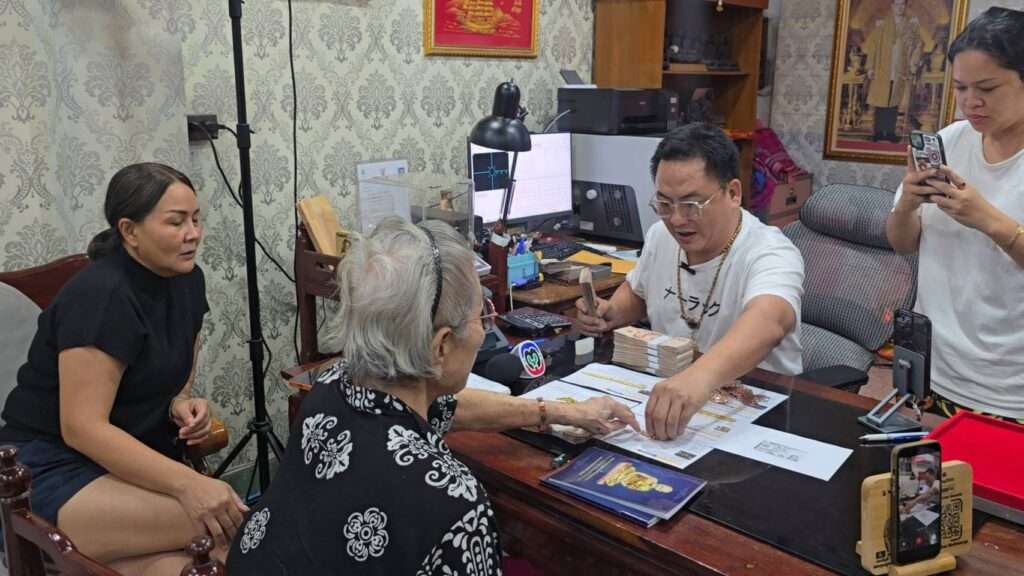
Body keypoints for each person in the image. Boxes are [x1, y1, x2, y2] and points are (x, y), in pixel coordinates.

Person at [228, 219, 638, 574]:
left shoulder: (333, 384)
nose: (485, 328)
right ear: (440, 346)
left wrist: (559, 412)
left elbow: (447, 408)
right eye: (482, 316)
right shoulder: (454, 502)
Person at [0, 163, 245, 575]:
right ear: (130, 231)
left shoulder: (187, 279)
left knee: (208, 558)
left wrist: (180, 400)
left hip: (126, 456)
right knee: (225, 521)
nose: (193, 233)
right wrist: (190, 483)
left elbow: (180, 357)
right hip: (45, 466)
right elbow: (82, 428)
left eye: (196, 219)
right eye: (176, 222)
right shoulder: (102, 294)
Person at [575, 123, 804, 441]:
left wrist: (699, 378)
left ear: (733, 193)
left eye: (691, 205)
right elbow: (638, 292)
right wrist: (610, 312)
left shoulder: (770, 251)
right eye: (664, 204)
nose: (677, 219)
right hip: (673, 396)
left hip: (756, 407)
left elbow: (770, 321)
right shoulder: (660, 235)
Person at [886, 6, 1024, 423]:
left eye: (987, 88)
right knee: (918, 465)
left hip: (1008, 388)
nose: (970, 102)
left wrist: (987, 218)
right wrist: (908, 203)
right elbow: (902, 243)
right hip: (932, 367)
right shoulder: (950, 141)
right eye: (961, 87)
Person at [862, 0, 923, 142]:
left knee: (893, 103)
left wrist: (913, 64)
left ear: (905, 6)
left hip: (899, 71)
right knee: (881, 102)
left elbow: (918, 46)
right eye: (897, 4)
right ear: (892, 6)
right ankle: (878, 132)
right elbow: (873, 47)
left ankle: (889, 133)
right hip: (883, 69)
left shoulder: (911, 26)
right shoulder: (882, 25)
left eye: (903, 4)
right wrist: (870, 67)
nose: (900, 7)